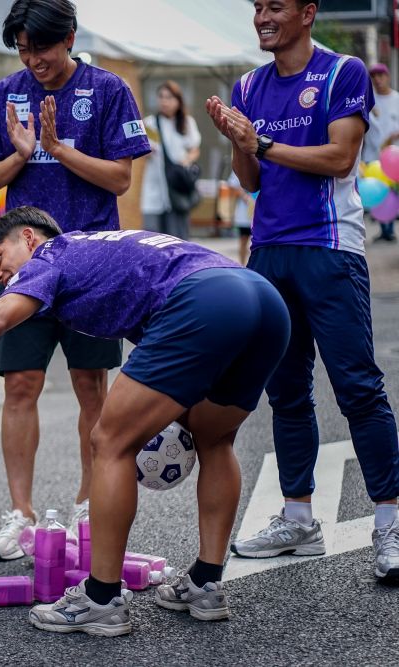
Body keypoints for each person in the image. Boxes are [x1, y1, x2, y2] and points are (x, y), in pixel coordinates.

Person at [0, 205, 290, 636]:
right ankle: (205, 584)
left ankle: (101, 599)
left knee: (110, 441)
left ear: (28, 238)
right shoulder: (96, 247)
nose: (1, 277)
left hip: (203, 301)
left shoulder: (49, 257)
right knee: (215, 442)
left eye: (0, 259)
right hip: (264, 301)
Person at [205, 0, 399, 582]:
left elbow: (341, 159)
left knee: (357, 387)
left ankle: (390, 523)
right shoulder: (247, 85)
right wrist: (238, 139)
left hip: (330, 247)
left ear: (308, 12)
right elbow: (251, 180)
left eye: (276, 6)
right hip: (269, 250)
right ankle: (298, 519)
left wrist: (260, 142)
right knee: (286, 391)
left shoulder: (343, 72)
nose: (262, 17)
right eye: (257, 7)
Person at [0, 0, 150, 558]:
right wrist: (22, 155)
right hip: (25, 264)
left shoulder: (108, 89)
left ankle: (88, 505)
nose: (34, 60)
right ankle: (20, 514)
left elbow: (120, 179)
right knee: (19, 384)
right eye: (24, 50)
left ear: (69, 37)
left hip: (91, 263)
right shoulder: (7, 93)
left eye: (42, 48)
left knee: (90, 385)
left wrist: (57, 149)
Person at [141, 81, 202, 240]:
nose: (164, 101)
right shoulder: (150, 123)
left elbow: (195, 149)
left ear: (178, 101)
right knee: (153, 238)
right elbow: (142, 152)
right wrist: (147, 151)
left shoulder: (186, 122)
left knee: (178, 239)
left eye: (169, 97)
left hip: (176, 188)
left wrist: (185, 161)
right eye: (161, 97)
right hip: (155, 187)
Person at [364, 63, 399, 242]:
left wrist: (394, 136)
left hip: (393, 157)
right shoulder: (369, 100)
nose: (377, 80)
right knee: (377, 192)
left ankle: (389, 229)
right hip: (372, 156)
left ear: (388, 77)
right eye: (374, 77)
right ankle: (384, 229)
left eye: (381, 76)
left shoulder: (396, 99)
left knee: (392, 192)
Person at [226, 171, 254, 265]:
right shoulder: (241, 165)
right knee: (243, 239)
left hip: (261, 211)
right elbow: (233, 184)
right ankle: (243, 265)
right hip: (244, 212)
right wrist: (244, 196)